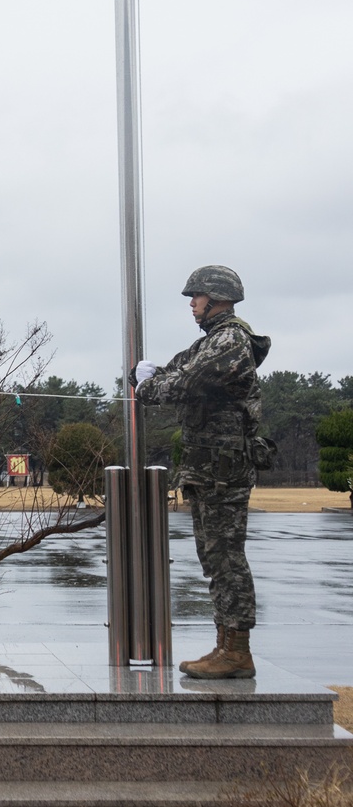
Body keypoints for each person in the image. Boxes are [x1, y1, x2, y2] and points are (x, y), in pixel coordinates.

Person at [134, 265, 271, 680]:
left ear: (217, 298)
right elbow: (175, 370)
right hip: (210, 469)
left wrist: (145, 387)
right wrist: (153, 378)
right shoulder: (214, 341)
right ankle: (226, 645)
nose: (192, 304)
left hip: (221, 472)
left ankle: (236, 652)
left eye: (196, 297)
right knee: (216, 559)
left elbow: (182, 383)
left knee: (225, 560)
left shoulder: (229, 341)